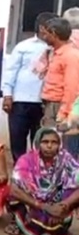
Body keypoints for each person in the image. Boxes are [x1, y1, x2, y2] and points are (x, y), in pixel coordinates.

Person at [5, 127, 79, 235]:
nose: (49, 146)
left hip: (56, 202)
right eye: (45, 142)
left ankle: (59, 222)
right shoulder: (26, 160)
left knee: (73, 190)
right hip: (33, 203)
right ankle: (23, 222)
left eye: (54, 142)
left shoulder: (65, 158)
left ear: (59, 144)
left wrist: (63, 205)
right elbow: (14, 189)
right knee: (15, 193)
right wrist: (43, 206)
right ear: (38, 143)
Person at [1, 12, 54, 162]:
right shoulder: (24, 46)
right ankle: (20, 170)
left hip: (44, 102)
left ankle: (38, 170)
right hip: (21, 100)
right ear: (42, 28)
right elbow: (11, 71)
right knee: (17, 139)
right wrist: (7, 95)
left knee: (41, 140)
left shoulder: (57, 48)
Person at [40, 18, 79, 152]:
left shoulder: (71, 55)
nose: (43, 37)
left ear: (54, 33)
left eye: (46, 34)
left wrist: (65, 112)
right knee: (49, 146)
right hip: (51, 105)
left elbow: (72, 87)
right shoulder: (54, 53)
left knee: (61, 147)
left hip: (59, 107)